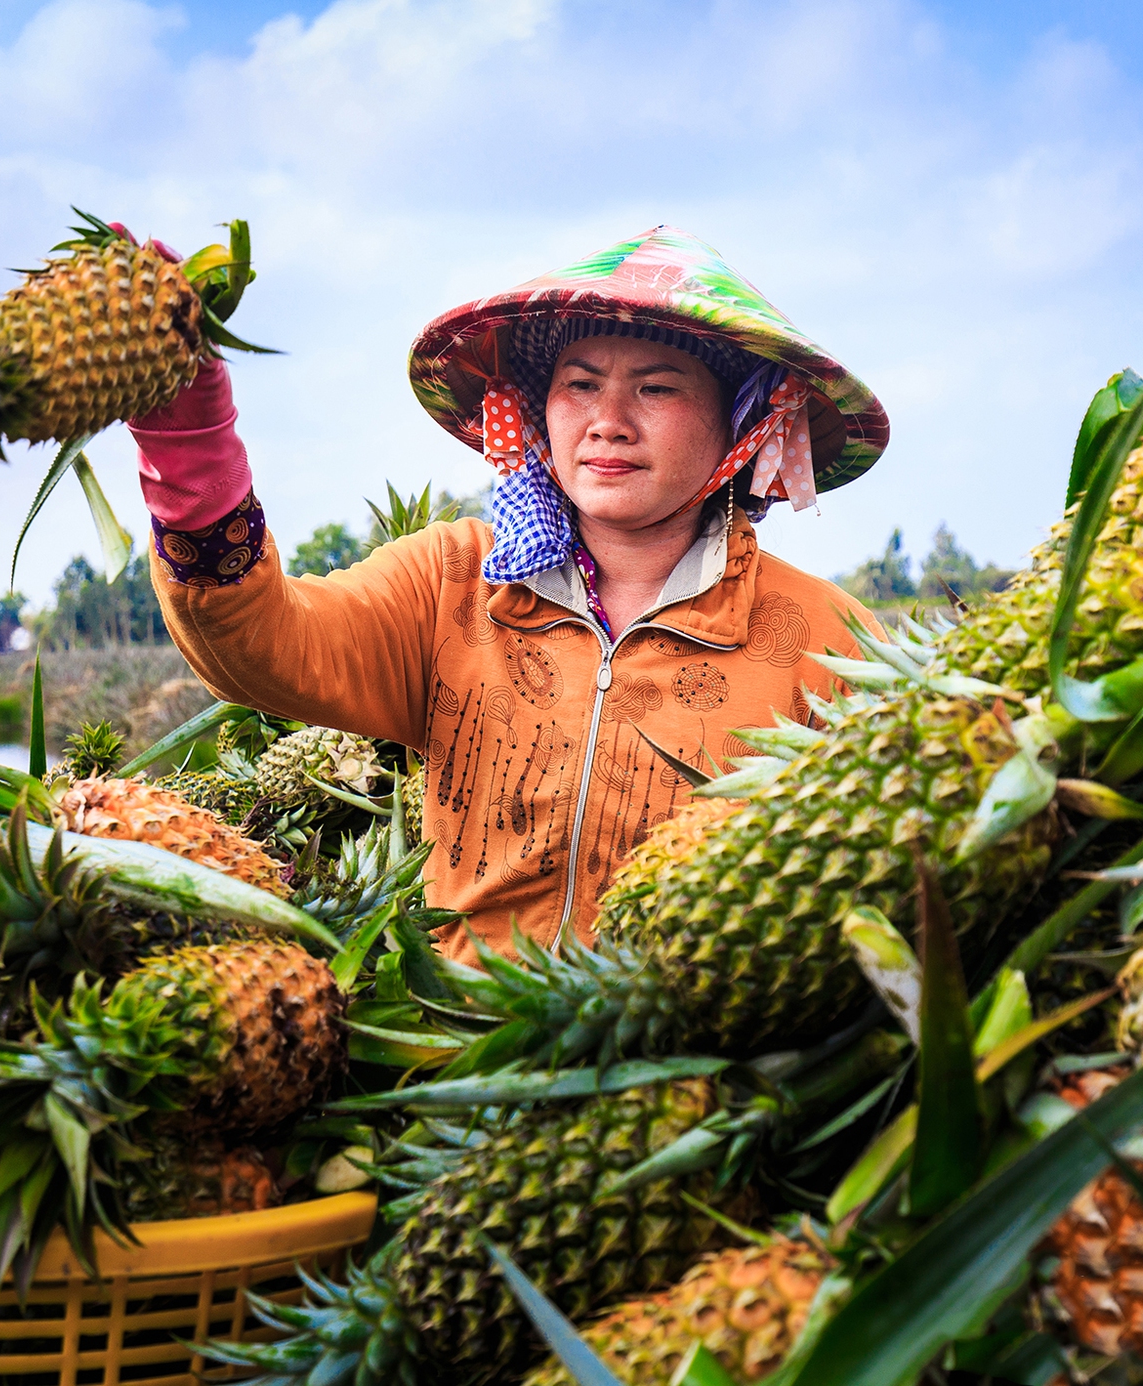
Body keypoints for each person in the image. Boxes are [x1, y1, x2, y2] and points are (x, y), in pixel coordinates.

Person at [127, 226, 890, 965]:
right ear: (537, 409)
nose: (608, 423)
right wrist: (192, 453)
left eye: (656, 388)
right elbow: (267, 648)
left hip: (685, 1072)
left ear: (741, 421)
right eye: (580, 385)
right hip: (455, 1056)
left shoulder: (828, 641)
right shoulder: (453, 583)